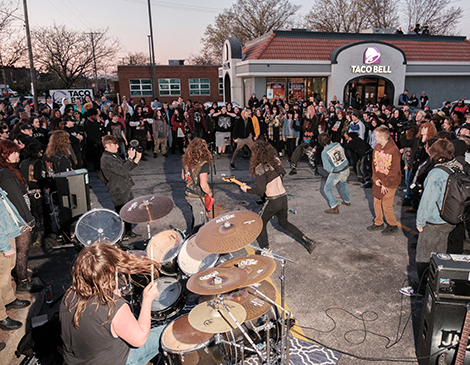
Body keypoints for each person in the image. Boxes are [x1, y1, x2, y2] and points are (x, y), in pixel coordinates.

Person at [60, 242, 165, 364]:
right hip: (117, 361)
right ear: (111, 269)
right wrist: (147, 300)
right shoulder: (113, 307)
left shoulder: (68, 296)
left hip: (79, 361)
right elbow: (140, 340)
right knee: (164, 332)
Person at [400, 139, 460, 296]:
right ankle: (437, 285)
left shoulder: (435, 173)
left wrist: (420, 221)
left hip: (434, 220)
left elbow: (427, 201)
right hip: (451, 219)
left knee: (424, 256)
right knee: (440, 255)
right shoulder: (457, 167)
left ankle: (421, 288)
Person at [240, 140, 315, 253]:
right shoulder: (276, 161)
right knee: (284, 223)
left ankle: (266, 249)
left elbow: (261, 189)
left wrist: (247, 190)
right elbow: (282, 174)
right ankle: (306, 240)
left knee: (260, 223)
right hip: (283, 197)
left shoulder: (260, 168)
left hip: (273, 200)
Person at [0, 140, 43, 292]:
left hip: (17, 217)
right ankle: (23, 282)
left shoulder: (8, 171)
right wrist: (28, 219)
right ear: (5, 155)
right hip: (19, 219)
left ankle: (21, 275)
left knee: (20, 252)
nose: (18, 155)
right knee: (22, 251)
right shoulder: (6, 174)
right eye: (14, 152)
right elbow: (17, 199)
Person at [0, 187, 31, 333]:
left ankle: (9, 300)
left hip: (7, 233)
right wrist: (5, 247)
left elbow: (7, 208)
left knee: (6, 274)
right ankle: (1, 317)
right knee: (1, 277)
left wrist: (20, 223)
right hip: (3, 240)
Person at [100, 136, 141, 239]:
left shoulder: (113, 156)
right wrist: (130, 158)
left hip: (124, 187)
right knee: (121, 212)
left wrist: (136, 159)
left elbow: (126, 168)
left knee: (128, 211)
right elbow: (122, 170)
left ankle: (128, 232)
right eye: (115, 144)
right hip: (118, 189)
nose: (118, 146)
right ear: (107, 146)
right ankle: (119, 235)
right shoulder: (106, 158)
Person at [367, 126, 402, 235]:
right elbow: (374, 165)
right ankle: (378, 222)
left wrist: (385, 184)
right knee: (377, 202)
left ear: (382, 137)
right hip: (379, 180)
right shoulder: (377, 148)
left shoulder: (394, 150)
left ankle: (392, 225)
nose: (375, 138)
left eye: (376, 136)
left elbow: (394, 170)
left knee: (387, 204)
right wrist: (376, 179)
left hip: (390, 183)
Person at [182, 138, 213, 234]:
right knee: (200, 224)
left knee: (194, 215)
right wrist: (210, 193)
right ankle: (195, 241)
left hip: (188, 194)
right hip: (198, 196)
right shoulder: (204, 164)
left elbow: (183, 176)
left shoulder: (186, 160)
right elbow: (203, 185)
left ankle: (191, 233)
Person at [318, 133, 350, 214]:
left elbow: (327, 167)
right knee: (343, 184)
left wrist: (332, 171)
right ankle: (347, 201)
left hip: (337, 172)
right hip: (346, 168)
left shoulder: (324, 152)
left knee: (327, 188)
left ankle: (334, 206)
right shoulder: (337, 144)